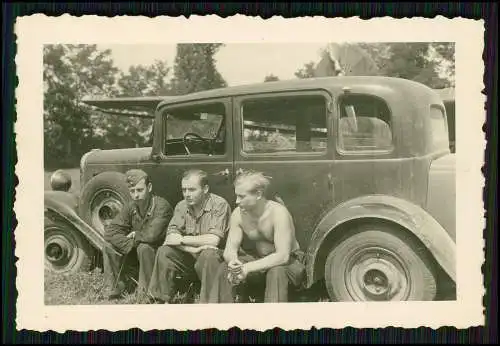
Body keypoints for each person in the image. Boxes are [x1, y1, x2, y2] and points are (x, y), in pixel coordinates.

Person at [208, 170, 305, 303]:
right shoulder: (238, 214)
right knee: (225, 268)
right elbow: (230, 250)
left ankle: (273, 321)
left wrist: (246, 268)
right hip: (259, 260)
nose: (237, 201)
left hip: (289, 264)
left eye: (242, 197)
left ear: (258, 194)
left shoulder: (278, 213)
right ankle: (218, 318)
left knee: (276, 272)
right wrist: (233, 262)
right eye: (236, 196)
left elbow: (283, 256)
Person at [148, 169, 232, 303]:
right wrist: (193, 249)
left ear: (205, 189)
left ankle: (210, 303)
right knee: (164, 252)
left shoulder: (219, 205)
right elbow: (170, 239)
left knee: (208, 254)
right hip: (192, 255)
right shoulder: (181, 206)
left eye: (192, 190)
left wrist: (182, 239)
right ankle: (158, 300)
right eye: (184, 190)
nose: (187, 194)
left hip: (217, 258)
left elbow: (213, 240)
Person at [102, 169, 173, 302]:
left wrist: (135, 236)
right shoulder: (131, 207)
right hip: (136, 249)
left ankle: (147, 294)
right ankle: (114, 290)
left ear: (149, 187)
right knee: (108, 245)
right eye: (132, 191)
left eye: (140, 190)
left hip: (159, 255)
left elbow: (152, 235)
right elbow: (110, 231)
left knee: (144, 247)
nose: (136, 195)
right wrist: (130, 244)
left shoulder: (162, 206)